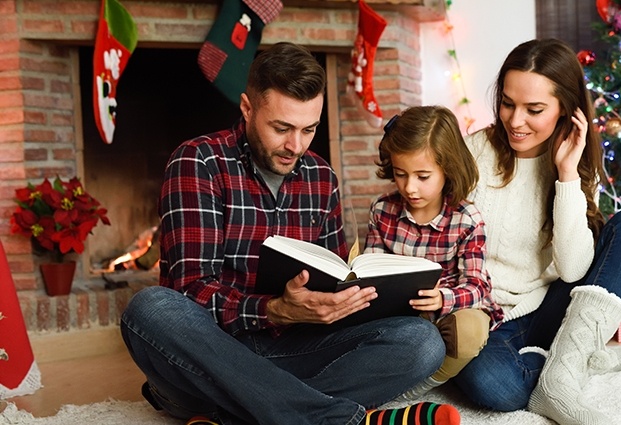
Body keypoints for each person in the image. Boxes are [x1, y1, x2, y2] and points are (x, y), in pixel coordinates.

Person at [119, 42, 460, 425]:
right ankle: (331, 417)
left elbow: (335, 276)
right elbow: (190, 292)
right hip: (210, 356)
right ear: (248, 109)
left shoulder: (320, 176)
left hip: (292, 350)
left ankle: (251, 414)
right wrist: (274, 310)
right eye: (281, 128)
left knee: (421, 342)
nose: (295, 145)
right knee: (150, 309)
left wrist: (343, 304)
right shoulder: (198, 162)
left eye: (309, 129)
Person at [450, 38, 621, 425]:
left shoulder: (574, 163)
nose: (515, 120)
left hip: (550, 304)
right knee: (493, 386)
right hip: (490, 316)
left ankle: (560, 376)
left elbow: (574, 270)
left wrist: (566, 176)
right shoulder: (473, 151)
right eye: (508, 103)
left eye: (534, 109)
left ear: (565, 109)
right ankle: (579, 363)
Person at [363, 106, 504, 400]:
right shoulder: (382, 210)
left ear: (447, 170)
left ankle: (420, 387)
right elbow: (370, 270)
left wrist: (442, 299)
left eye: (423, 176)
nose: (409, 187)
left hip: (450, 313)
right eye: (400, 174)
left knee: (470, 333)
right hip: (402, 317)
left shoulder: (467, 219)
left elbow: (478, 286)